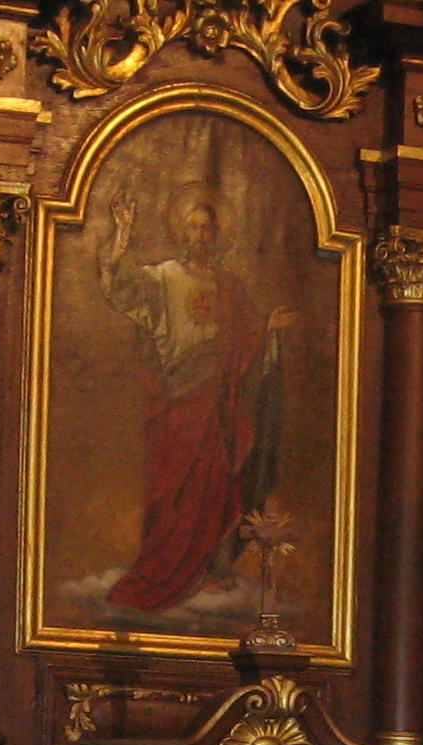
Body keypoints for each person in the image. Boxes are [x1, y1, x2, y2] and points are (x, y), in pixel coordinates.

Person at [101, 191, 293, 616]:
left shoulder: (229, 286)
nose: (199, 235)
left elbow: (246, 333)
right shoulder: (163, 277)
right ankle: (159, 572)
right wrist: (122, 236)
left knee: (214, 489)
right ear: (181, 232)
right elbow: (121, 289)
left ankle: (205, 569)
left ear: (216, 234)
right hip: (178, 398)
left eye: (206, 228)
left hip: (217, 405)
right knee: (171, 491)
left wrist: (269, 327)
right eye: (192, 227)